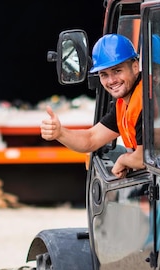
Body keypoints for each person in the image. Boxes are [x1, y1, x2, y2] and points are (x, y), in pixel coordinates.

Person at [40, 34, 144, 180]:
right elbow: (91, 139)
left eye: (117, 71)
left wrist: (123, 160)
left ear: (134, 67)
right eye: (104, 74)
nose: (111, 80)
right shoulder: (124, 104)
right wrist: (60, 133)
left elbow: (142, 158)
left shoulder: (145, 101)